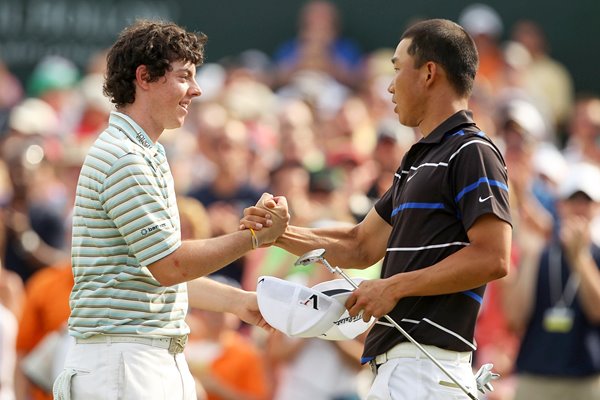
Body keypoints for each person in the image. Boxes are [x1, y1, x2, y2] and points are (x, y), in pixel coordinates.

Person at [242, 19, 512, 399]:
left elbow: (493, 257)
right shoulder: (417, 160)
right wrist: (280, 235)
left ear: (429, 73)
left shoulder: (473, 152)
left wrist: (394, 286)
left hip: (426, 370)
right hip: (401, 370)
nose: (390, 84)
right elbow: (359, 244)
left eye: (398, 69)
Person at [52, 20, 288, 400]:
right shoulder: (125, 157)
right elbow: (170, 266)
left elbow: (157, 271)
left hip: (139, 359)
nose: (196, 90)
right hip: (124, 363)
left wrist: (237, 302)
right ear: (144, 77)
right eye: (184, 77)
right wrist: (256, 237)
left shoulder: (147, 153)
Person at [503, 162, 600, 400]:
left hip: (587, 380)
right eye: (572, 200)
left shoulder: (597, 256)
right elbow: (514, 318)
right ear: (560, 205)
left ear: (596, 207)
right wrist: (529, 257)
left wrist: (580, 259)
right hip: (536, 378)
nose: (579, 208)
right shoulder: (542, 255)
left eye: (585, 202)